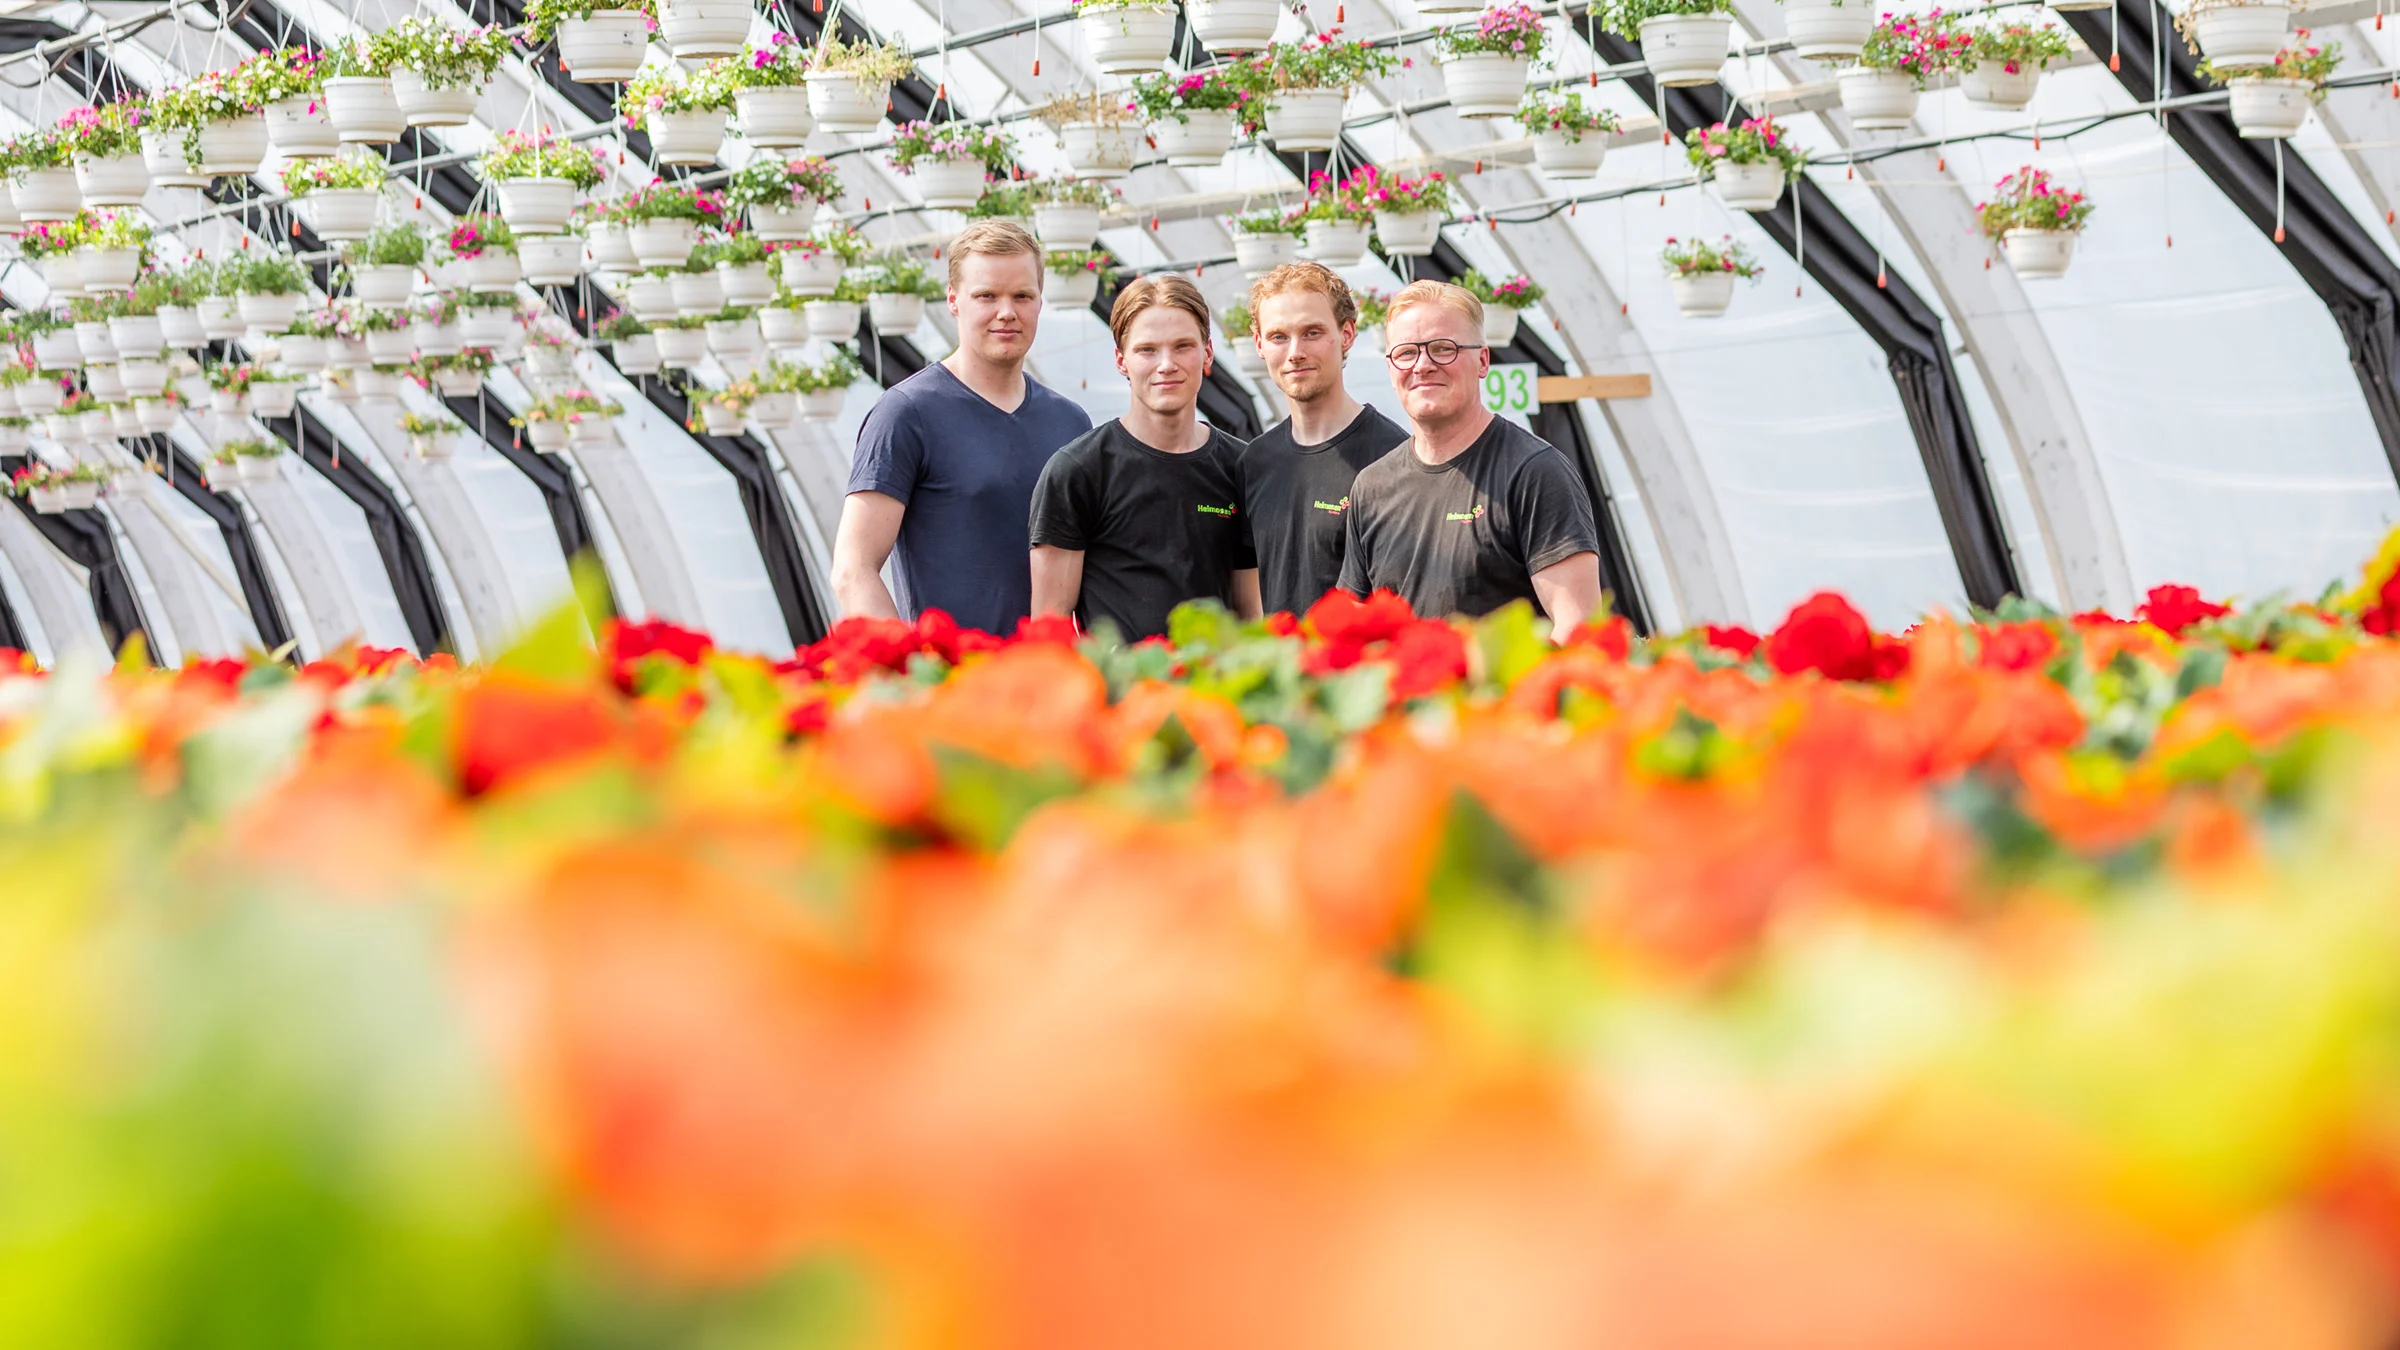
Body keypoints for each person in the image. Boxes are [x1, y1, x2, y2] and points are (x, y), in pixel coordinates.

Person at [831, 220, 1092, 636]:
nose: (1006, 312)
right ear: (953, 300)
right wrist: (911, 671)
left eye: (1022, 296)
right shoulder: (906, 414)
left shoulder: (1070, 423)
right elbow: (852, 570)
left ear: (1040, 301)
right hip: (951, 686)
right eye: (986, 295)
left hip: (1049, 686)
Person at [1337, 279, 1605, 641]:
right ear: (1390, 368)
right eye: (1405, 353)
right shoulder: (1372, 487)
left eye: (1443, 348)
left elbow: (1578, 626)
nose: (1423, 365)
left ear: (1482, 360)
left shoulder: (1534, 472)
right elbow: (1353, 628)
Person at [1028, 274, 1261, 641]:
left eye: (1183, 346)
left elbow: (1252, 616)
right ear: (1122, 360)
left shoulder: (1242, 467)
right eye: (1147, 350)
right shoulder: (1080, 471)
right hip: (1123, 693)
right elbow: (1050, 625)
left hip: (1215, 690)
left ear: (1208, 353)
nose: (1166, 364)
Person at [1237, 262, 1410, 617]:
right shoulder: (1254, 463)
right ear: (1259, 344)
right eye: (1278, 337)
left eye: (1312, 333)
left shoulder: (1392, 457)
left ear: (1347, 334)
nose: (1295, 351)